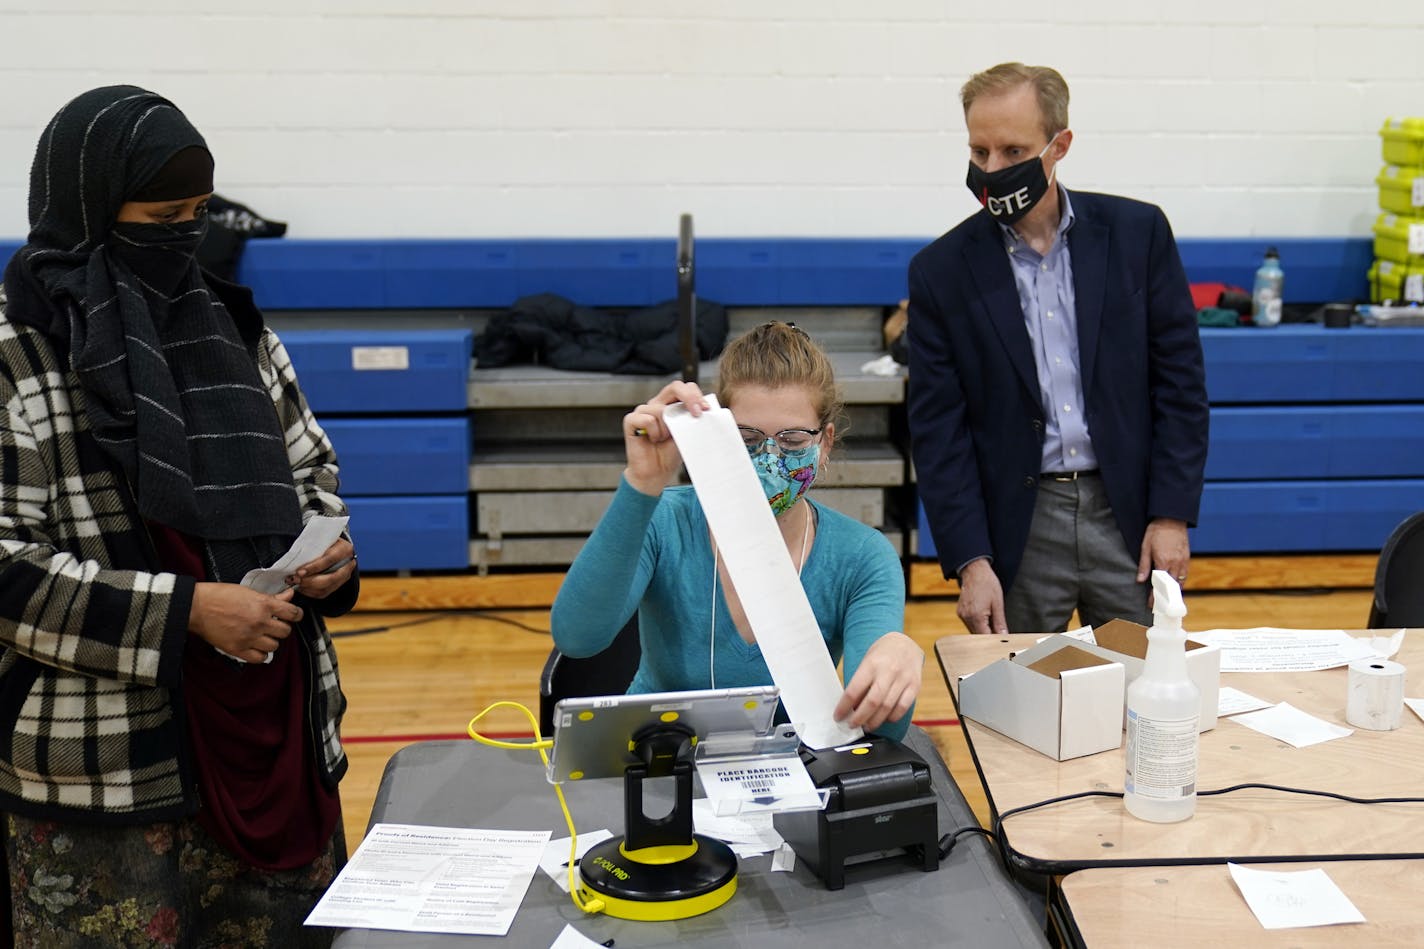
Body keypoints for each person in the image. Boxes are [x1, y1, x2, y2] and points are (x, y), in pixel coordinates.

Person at [0, 86, 358, 946]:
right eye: (164, 214)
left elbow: (313, 470)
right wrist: (188, 611)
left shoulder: (231, 326)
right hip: (109, 778)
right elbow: (6, 563)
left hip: (273, 733)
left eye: (199, 212)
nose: (187, 235)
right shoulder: (21, 355)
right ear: (89, 212)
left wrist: (328, 550)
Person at [906, 62, 1209, 636]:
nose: (992, 170)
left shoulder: (1137, 235)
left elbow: (1180, 385)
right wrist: (971, 561)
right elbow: (938, 431)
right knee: (1016, 701)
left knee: (1138, 685)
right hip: (1017, 527)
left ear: (1059, 145)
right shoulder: (940, 272)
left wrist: (1171, 514)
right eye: (979, 152)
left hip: (1125, 514)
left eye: (1012, 150)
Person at [551, 322, 922, 739]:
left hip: (795, 774)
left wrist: (899, 657)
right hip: (662, 760)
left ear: (826, 444)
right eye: (746, 438)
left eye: (794, 439)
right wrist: (642, 483)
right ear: (718, 434)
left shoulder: (862, 557)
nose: (768, 458)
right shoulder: (667, 521)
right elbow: (577, 638)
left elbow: (881, 735)